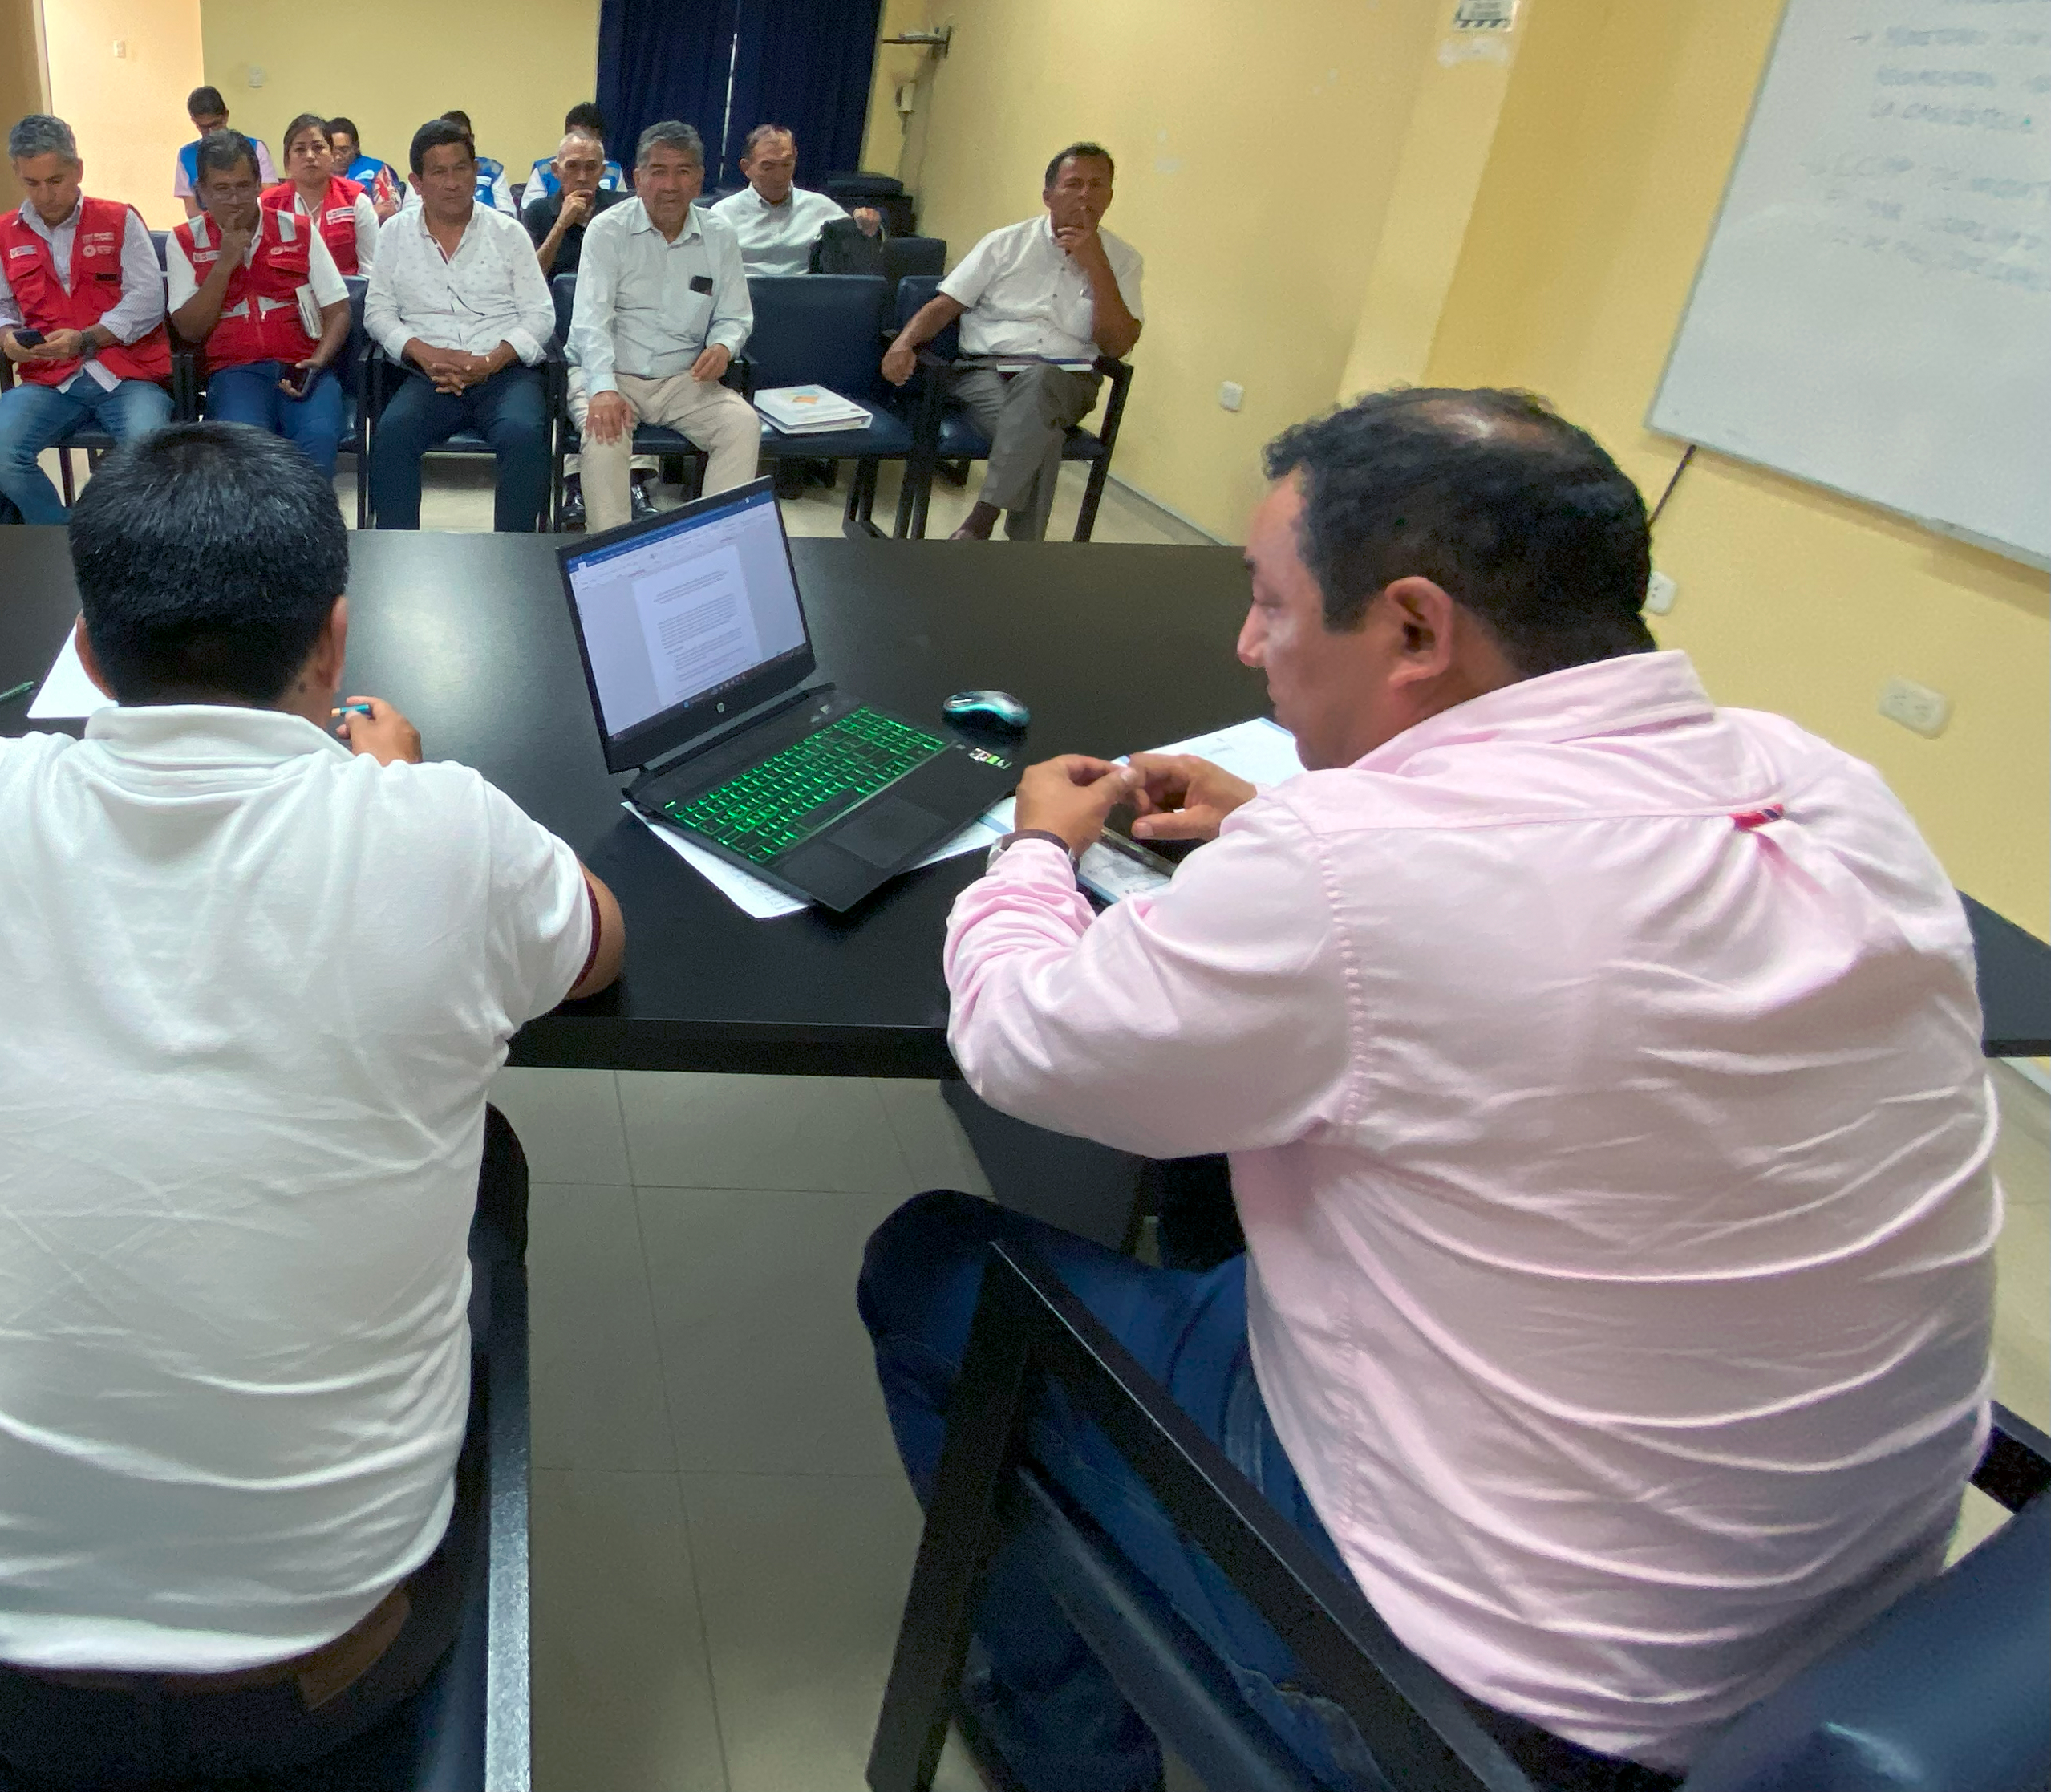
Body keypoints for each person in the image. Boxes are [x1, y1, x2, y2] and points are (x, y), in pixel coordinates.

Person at [858, 389, 1997, 1792]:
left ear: (1411, 627)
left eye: (1269, 607)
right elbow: (1540, 926)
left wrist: (1033, 851)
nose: (1247, 646)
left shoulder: (1356, 870)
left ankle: (1058, 1745)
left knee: (930, 1263)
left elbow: (1029, 1042)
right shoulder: (1821, 781)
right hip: (1847, 1636)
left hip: (1494, 1709)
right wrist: (1272, 825)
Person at [0, 424, 624, 1787]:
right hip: (332, 1664)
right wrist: (386, 800)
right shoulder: (440, 828)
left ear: (87, 649)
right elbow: (597, 942)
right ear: (332, 640)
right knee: (481, 1159)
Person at [882, 144, 1142, 541]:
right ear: (1048, 195)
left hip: (1067, 380)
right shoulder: (1004, 244)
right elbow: (945, 304)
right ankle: (1021, 556)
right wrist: (904, 342)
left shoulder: (1123, 260)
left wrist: (1097, 265)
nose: (1085, 195)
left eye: (1097, 186)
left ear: (1110, 196)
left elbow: (1117, 345)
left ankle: (980, 520)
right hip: (986, 371)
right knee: (1043, 435)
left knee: (1039, 383)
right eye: (1074, 184)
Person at [0, 112, 175, 524]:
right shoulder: (4, 233)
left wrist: (88, 339)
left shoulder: (119, 220)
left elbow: (148, 299)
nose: (45, 195)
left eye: (56, 180)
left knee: (150, 450)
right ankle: (63, 531)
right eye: (32, 183)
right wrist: (5, 336)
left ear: (78, 170)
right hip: (49, 379)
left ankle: (132, 538)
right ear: (17, 174)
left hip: (127, 374)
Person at [362, 117, 557, 533]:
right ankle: (398, 560)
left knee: (524, 437)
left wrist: (492, 359)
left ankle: (514, 560)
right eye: (439, 172)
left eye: (461, 169)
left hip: (504, 373)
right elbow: (377, 312)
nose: (452, 182)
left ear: (475, 172)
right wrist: (423, 352)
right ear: (416, 182)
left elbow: (540, 314)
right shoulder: (395, 234)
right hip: (428, 374)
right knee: (392, 437)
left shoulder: (509, 233)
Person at [567, 120, 758, 531]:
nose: (670, 185)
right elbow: (591, 320)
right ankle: (612, 553)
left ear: (700, 179)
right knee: (604, 439)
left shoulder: (720, 235)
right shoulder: (608, 230)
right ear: (638, 179)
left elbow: (735, 316)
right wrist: (601, 389)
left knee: (742, 425)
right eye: (658, 171)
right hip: (613, 371)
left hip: (684, 377)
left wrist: (724, 346)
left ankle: (716, 545)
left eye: (683, 171)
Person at [172, 130, 353, 476]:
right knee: (244, 451)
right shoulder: (184, 241)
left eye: (243, 186)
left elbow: (339, 309)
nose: (235, 199)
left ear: (259, 184)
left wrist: (318, 360)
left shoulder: (298, 229)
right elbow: (189, 329)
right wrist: (225, 263)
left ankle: (312, 530)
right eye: (222, 189)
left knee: (318, 438)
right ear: (203, 193)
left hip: (303, 367)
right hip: (235, 373)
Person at [707, 124, 847, 277]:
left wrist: (866, 227)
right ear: (746, 167)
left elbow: (856, 253)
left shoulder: (822, 208)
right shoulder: (723, 214)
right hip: (744, 294)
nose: (780, 177)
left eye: (787, 165)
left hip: (804, 295)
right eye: (768, 167)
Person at [265, 111, 381, 278]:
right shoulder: (268, 204)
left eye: (318, 148)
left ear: (333, 155)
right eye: (300, 149)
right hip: (286, 298)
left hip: (348, 298)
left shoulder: (356, 201)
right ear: (287, 161)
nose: (310, 156)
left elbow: (371, 271)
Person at [519, 127, 609, 279]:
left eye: (591, 167)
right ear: (556, 170)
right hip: (553, 300)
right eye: (572, 166)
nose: (582, 177)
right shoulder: (537, 211)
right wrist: (560, 225)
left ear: (602, 171)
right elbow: (529, 276)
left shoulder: (620, 209)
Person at [174, 83, 273, 205]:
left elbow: (269, 199)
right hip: (207, 223)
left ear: (225, 116)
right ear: (194, 122)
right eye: (204, 127)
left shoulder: (256, 148)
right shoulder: (186, 155)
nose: (211, 133)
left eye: (215, 125)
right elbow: (192, 209)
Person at [518, 99, 627, 208]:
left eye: (589, 138)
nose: (582, 177)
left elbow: (624, 211)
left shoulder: (614, 171)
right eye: (577, 137)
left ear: (600, 139)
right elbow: (530, 213)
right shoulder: (543, 170)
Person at [327, 113, 401, 209]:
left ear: (356, 147)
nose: (337, 157)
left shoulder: (377, 170)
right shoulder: (318, 173)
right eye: (332, 150)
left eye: (344, 150)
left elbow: (391, 210)